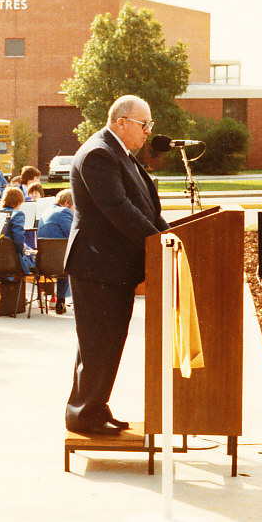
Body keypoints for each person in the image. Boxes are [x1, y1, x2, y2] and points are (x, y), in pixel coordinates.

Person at [63, 95, 170, 436]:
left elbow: (145, 207)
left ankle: (94, 406)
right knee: (99, 343)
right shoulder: (98, 154)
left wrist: (167, 234)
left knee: (105, 343)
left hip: (110, 267)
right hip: (97, 267)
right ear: (122, 122)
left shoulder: (119, 153)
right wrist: (158, 241)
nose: (148, 132)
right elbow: (119, 209)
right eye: (144, 124)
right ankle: (83, 415)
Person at [37, 188, 74, 314]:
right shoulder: (64, 211)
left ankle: (61, 301)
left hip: (44, 263)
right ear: (67, 203)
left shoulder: (46, 212)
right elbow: (72, 235)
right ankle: (68, 300)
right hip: (61, 263)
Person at [0, 187, 35, 273]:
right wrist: (24, 248)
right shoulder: (18, 214)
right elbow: (18, 238)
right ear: (18, 202)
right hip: (13, 259)